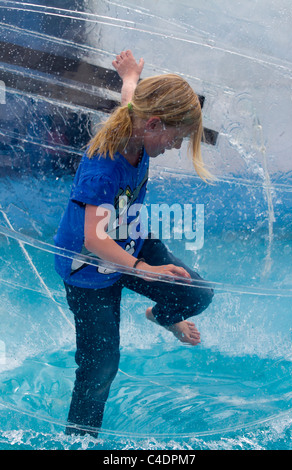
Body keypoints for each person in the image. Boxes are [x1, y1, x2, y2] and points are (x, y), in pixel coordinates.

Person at [54, 50, 214, 437]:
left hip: (132, 237)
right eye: (176, 138)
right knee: (101, 365)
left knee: (195, 292)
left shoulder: (137, 125)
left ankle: (162, 317)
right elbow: (94, 238)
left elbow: (131, 101)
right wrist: (145, 270)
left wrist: (130, 76)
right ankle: (78, 442)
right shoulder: (103, 164)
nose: (176, 147)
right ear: (156, 124)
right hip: (89, 268)